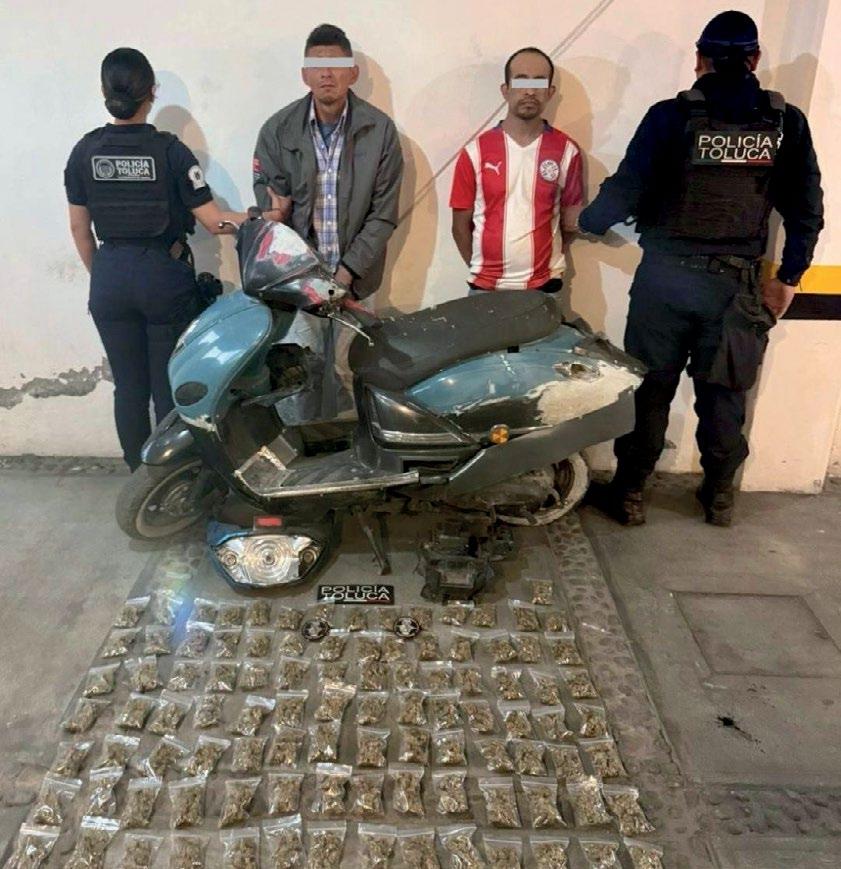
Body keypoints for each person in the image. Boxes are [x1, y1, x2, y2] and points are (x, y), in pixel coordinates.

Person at [578, 11, 823, 527]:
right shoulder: (785, 123)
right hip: (735, 286)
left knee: (649, 389)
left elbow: (627, 188)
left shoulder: (670, 117)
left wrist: (586, 222)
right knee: (725, 394)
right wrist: (788, 278)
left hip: (665, 282)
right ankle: (719, 497)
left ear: (699, 60)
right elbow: (806, 210)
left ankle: (630, 494)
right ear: (755, 59)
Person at [64, 48, 282, 471]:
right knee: (169, 385)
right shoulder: (171, 152)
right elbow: (215, 222)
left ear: (105, 92)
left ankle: (138, 476)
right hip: (163, 279)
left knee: (129, 388)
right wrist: (262, 217)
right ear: (152, 92)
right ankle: (171, 479)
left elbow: (79, 230)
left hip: (109, 277)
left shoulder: (84, 151)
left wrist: (105, 275)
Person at [253, 23, 403, 419]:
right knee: (299, 379)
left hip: (357, 282)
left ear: (352, 72)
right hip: (298, 286)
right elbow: (270, 208)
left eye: (336, 64)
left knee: (352, 376)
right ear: (304, 74)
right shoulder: (277, 131)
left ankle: (354, 456)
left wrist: (347, 272)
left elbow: (384, 213)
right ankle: (304, 455)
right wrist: (300, 268)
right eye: (317, 65)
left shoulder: (379, 131)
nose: (327, 74)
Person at [450, 46, 584, 294]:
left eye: (539, 83)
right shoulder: (474, 152)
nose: (530, 91)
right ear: (505, 90)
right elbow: (459, 226)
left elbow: (570, 223)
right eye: (521, 81)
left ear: (550, 92)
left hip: (544, 287)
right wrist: (483, 271)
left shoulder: (567, 151)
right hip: (485, 288)